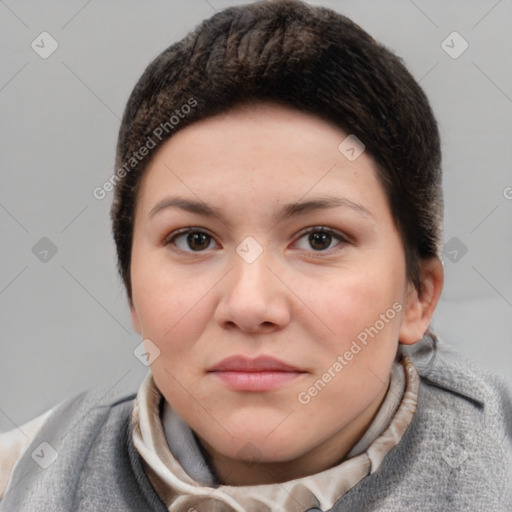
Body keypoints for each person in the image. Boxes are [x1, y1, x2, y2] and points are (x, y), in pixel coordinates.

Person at [1, 0, 511, 510]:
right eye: (195, 239)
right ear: (132, 291)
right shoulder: (25, 479)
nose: (250, 306)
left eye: (319, 239)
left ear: (417, 295)